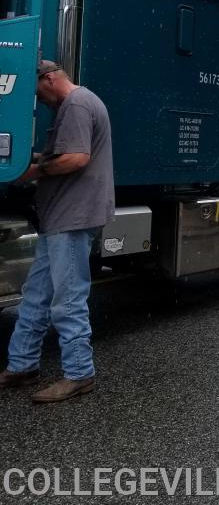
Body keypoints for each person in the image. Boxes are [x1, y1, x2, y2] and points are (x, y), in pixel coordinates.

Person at [0, 60, 114, 402]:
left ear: (49, 78)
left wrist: (31, 170)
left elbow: (76, 158)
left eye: (39, 92)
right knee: (36, 296)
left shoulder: (76, 104)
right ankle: (22, 365)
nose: (42, 100)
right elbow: (63, 153)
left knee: (67, 300)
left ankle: (80, 374)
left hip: (73, 216)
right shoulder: (79, 102)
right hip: (63, 217)